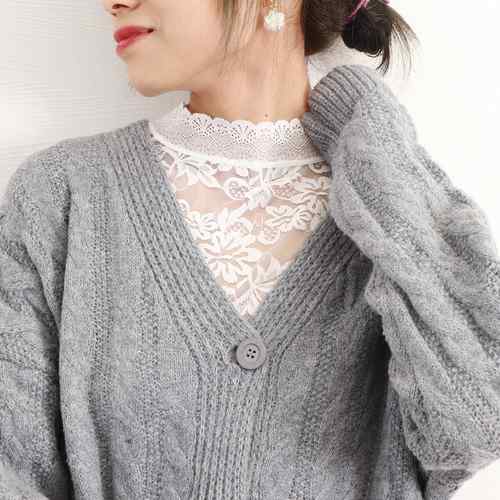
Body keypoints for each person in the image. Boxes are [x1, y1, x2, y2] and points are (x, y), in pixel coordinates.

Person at [1, 1, 499, 499]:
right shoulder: (62, 197)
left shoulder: (383, 209)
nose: (113, 2)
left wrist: (371, 136)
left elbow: (476, 425)